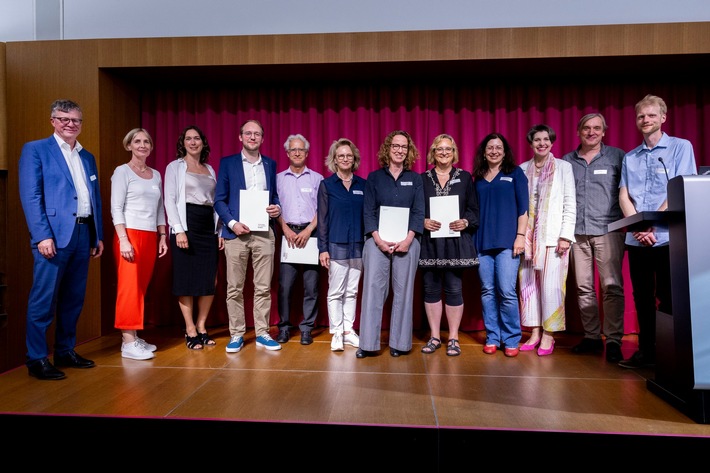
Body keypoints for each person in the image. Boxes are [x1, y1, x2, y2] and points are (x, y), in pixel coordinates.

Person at [18, 99, 104, 380]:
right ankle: (36, 358)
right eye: (63, 118)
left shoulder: (86, 156)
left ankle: (65, 351)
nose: (70, 124)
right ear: (52, 120)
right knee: (44, 300)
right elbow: (31, 197)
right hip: (53, 236)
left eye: (75, 120)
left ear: (81, 124)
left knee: (73, 299)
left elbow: (94, 199)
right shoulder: (36, 150)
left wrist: (96, 234)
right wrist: (42, 235)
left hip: (82, 234)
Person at [618, 94, 697, 369]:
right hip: (637, 238)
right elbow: (624, 196)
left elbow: (681, 187)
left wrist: (652, 222)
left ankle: (670, 355)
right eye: (641, 116)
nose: (646, 120)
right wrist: (639, 226)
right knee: (641, 297)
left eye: (651, 115)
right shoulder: (630, 157)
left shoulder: (680, 147)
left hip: (667, 237)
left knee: (668, 295)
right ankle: (646, 352)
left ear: (663, 117)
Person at [562, 113, 626, 363]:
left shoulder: (617, 157)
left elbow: (627, 191)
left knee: (611, 287)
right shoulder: (567, 161)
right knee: (583, 287)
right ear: (579, 131)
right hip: (577, 233)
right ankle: (591, 337)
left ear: (604, 132)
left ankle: (613, 340)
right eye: (586, 128)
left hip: (608, 230)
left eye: (596, 128)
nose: (591, 132)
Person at [214, 119, 283, 353]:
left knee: (263, 287)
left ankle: (262, 332)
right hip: (236, 234)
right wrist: (232, 224)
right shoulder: (228, 164)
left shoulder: (271, 165)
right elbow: (219, 200)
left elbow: (274, 198)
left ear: (263, 139)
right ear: (240, 137)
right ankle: (236, 334)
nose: (253, 137)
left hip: (264, 233)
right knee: (234, 287)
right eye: (248, 133)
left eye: (257, 134)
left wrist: (277, 209)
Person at [357, 130, 424, 358]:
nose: (399, 150)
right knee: (373, 290)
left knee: (404, 292)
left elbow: (418, 212)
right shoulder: (374, 178)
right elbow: (368, 211)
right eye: (395, 146)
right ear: (388, 148)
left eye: (404, 147)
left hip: (408, 241)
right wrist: (377, 239)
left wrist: (408, 240)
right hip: (377, 242)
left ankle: (400, 344)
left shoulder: (415, 180)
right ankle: (367, 344)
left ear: (409, 151)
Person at [518, 124, 576, 356]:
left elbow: (570, 203)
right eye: (537, 140)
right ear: (530, 143)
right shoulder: (522, 169)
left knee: (552, 288)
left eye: (546, 139)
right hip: (529, 240)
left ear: (552, 142)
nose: (542, 143)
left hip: (554, 239)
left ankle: (549, 335)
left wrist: (565, 236)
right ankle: (533, 332)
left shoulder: (564, 167)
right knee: (528, 287)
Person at [419, 134, 479, 357]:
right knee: (430, 289)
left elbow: (474, 210)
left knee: (454, 289)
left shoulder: (464, 178)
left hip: (455, 242)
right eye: (439, 149)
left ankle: (453, 337)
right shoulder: (422, 179)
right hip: (430, 242)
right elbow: (415, 210)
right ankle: (435, 336)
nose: (444, 153)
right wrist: (422, 221)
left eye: (448, 149)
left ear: (454, 153)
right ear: (432, 153)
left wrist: (465, 221)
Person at [111, 128, 168, 360]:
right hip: (129, 234)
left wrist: (163, 235)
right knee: (129, 287)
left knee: (141, 287)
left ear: (151, 147)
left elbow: (159, 208)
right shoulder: (122, 172)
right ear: (129, 145)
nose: (142, 145)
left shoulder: (155, 174)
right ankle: (127, 341)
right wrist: (123, 239)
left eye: (146, 142)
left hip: (150, 235)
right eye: (137, 141)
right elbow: (116, 207)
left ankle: (134, 335)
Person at [164, 125, 223, 350]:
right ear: (183, 143)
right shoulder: (175, 167)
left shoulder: (210, 169)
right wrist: (178, 229)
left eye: (196, 138)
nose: (192, 142)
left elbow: (215, 202)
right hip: (186, 225)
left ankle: (202, 326)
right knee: (186, 279)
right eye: (188, 138)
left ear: (202, 142)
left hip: (207, 225)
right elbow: (170, 199)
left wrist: (218, 230)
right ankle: (189, 329)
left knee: (209, 279)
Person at [473, 132, 529, 358]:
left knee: (506, 291)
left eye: (498, 147)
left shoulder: (515, 174)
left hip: (508, 242)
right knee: (487, 291)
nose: (494, 151)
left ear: (505, 152)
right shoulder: (477, 177)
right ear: (484, 152)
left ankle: (511, 338)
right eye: (490, 148)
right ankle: (493, 336)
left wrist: (520, 236)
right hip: (482, 242)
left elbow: (523, 208)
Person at [317, 138, 367, 352]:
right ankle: (336, 332)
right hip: (335, 245)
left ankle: (348, 331)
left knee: (352, 291)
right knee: (336, 291)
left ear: (354, 158)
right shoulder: (327, 185)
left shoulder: (363, 185)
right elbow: (322, 219)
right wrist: (323, 248)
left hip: (359, 245)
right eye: (341, 156)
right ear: (334, 160)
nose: (345, 159)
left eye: (349, 155)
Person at [275, 134, 324, 345]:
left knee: (311, 286)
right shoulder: (277, 178)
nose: (297, 153)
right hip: (287, 234)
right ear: (287, 153)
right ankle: (284, 327)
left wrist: (309, 230)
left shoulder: (317, 178)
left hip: (311, 234)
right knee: (285, 285)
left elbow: (322, 209)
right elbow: (274, 207)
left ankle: (306, 328)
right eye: (293, 150)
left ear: (307, 153)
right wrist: (285, 228)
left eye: (301, 150)